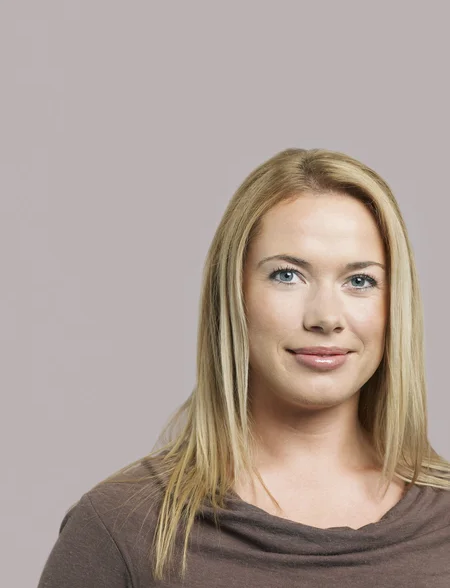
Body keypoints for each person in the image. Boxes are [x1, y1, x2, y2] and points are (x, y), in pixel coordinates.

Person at [37, 148, 450, 588]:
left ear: (395, 305)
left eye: (360, 281)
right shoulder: (122, 528)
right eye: (288, 275)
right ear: (233, 293)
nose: (326, 317)